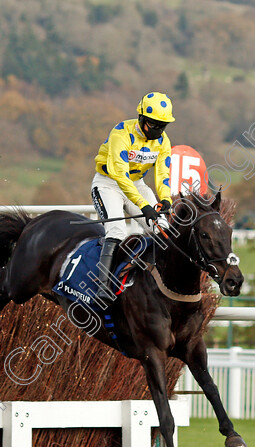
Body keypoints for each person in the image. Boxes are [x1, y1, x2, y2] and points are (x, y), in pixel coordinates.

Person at [90, 92, 175, 305]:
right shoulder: (121, 133)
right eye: (153, 124)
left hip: (137, 184)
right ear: (141, 118)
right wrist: (143, 205)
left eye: (162, 126)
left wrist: (165, 200)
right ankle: (103, 286)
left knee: (162, 228)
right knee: (118, 231)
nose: (157, 131)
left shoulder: (163, 142)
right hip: (109, 183)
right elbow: (120, 175)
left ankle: (160, 283)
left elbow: (163, 175)